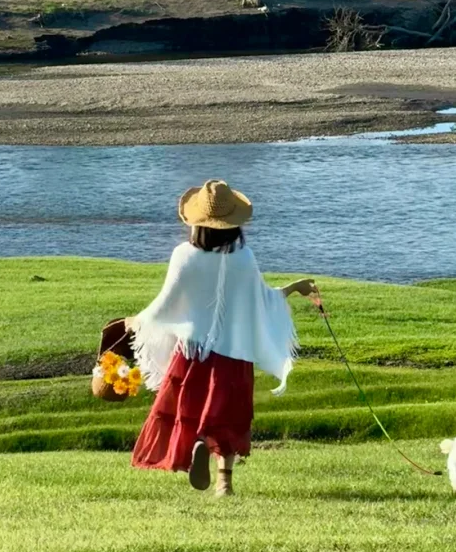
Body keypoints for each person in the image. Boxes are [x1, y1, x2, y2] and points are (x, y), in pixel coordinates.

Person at [128, 178, 317, 497]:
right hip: (234, 353)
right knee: (229, 416)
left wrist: (138, 320)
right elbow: (263, 298)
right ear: (234, 224)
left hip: (192, 354)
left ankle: (199, 442)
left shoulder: (184, 255)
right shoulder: (244, 258)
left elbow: (165, 302)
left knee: (192, 409)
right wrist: (293, 288)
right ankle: (224, 483)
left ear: (196, 222)